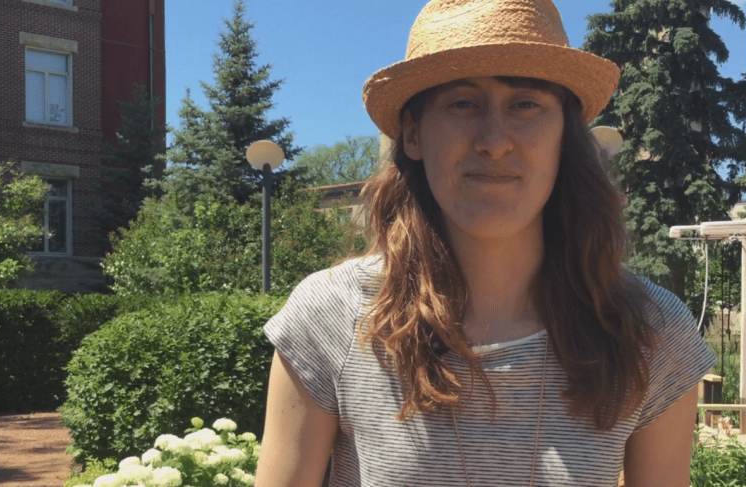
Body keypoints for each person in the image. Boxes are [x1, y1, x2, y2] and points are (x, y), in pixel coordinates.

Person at [255, 0, 715, 485]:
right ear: (413, 134)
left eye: (525, 104)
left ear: (565, 134)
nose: (494, 140)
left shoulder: (651, 333)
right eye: (462, 103)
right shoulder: (331, 317)